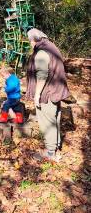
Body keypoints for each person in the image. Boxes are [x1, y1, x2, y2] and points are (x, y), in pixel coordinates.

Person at [26, 28, 70, 161]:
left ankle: (50, 153)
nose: (30, 44)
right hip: (56, 91)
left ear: (34, 40)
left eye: (30, 41)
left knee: (47, 122)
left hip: (47, 94)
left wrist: (37, 95)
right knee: (54, 119)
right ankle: (55, 147)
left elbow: (42, 76)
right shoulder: (51, 47)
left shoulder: (41, 53)